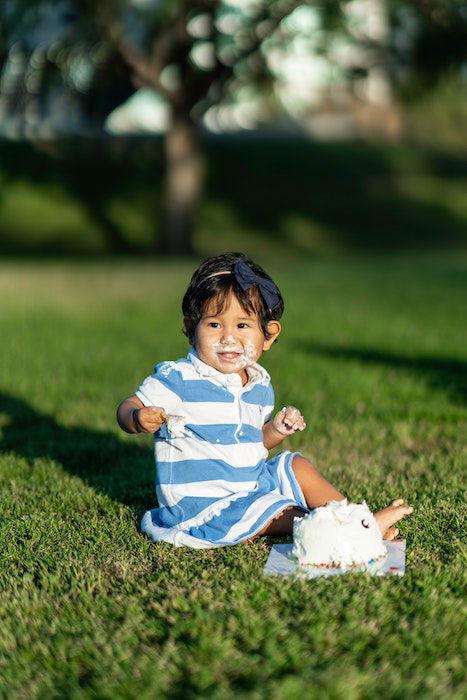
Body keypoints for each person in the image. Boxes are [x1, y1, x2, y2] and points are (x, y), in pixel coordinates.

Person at [117, 252, 413, 548]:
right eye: (215, 325)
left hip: (250, 484)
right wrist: (136, 418)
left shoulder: (259, 385)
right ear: (191, 329)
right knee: (277, 513)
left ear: (268, 336)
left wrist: (276, 431)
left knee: (295, 465)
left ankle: (350, 518)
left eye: (242, 326)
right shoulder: (179, 378)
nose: (229, 338)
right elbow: (128, 407)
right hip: (205, 506)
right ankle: (346, 529)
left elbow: (251, 445)